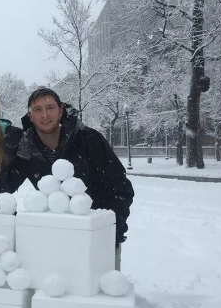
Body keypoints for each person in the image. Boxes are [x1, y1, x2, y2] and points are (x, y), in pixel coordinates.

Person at [9, 88, 134, 271]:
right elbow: (5, 184)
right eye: (38, 110)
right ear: (30, 115)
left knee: (100, 292)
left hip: (98, 235)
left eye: (50, 107)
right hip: (58, 237)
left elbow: (120, 189)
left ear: (61, 110)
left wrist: (110, 229)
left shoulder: (88, 139)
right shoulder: (26, 147)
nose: (45, 115)